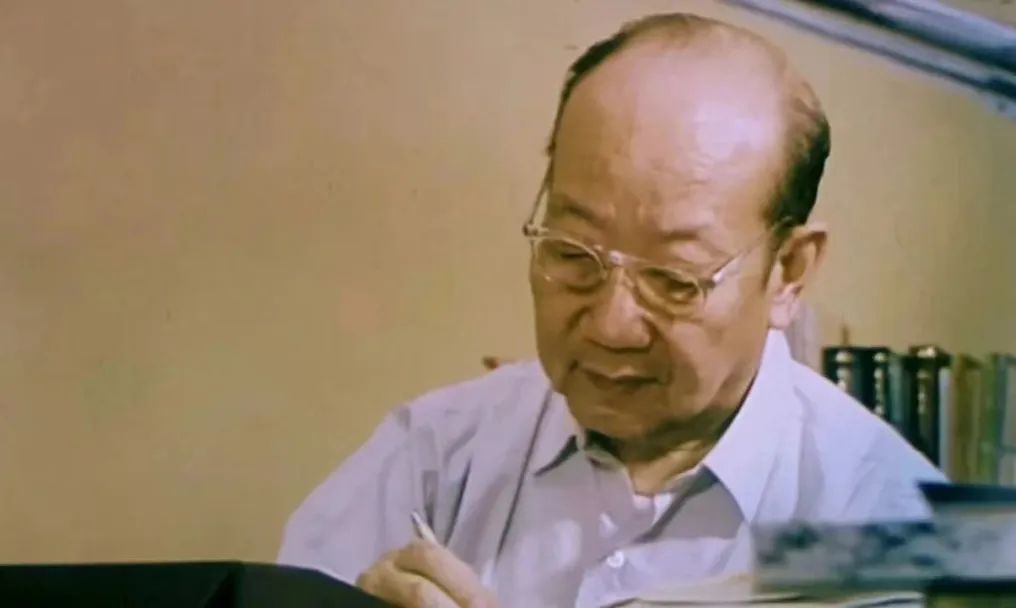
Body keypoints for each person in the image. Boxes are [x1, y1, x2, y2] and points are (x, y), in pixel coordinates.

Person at [277, 13, 944, 608]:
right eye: (573, 254)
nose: (609, 326)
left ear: (789, 273)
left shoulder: (895, 533)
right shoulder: (435, 457)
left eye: (674, 279)